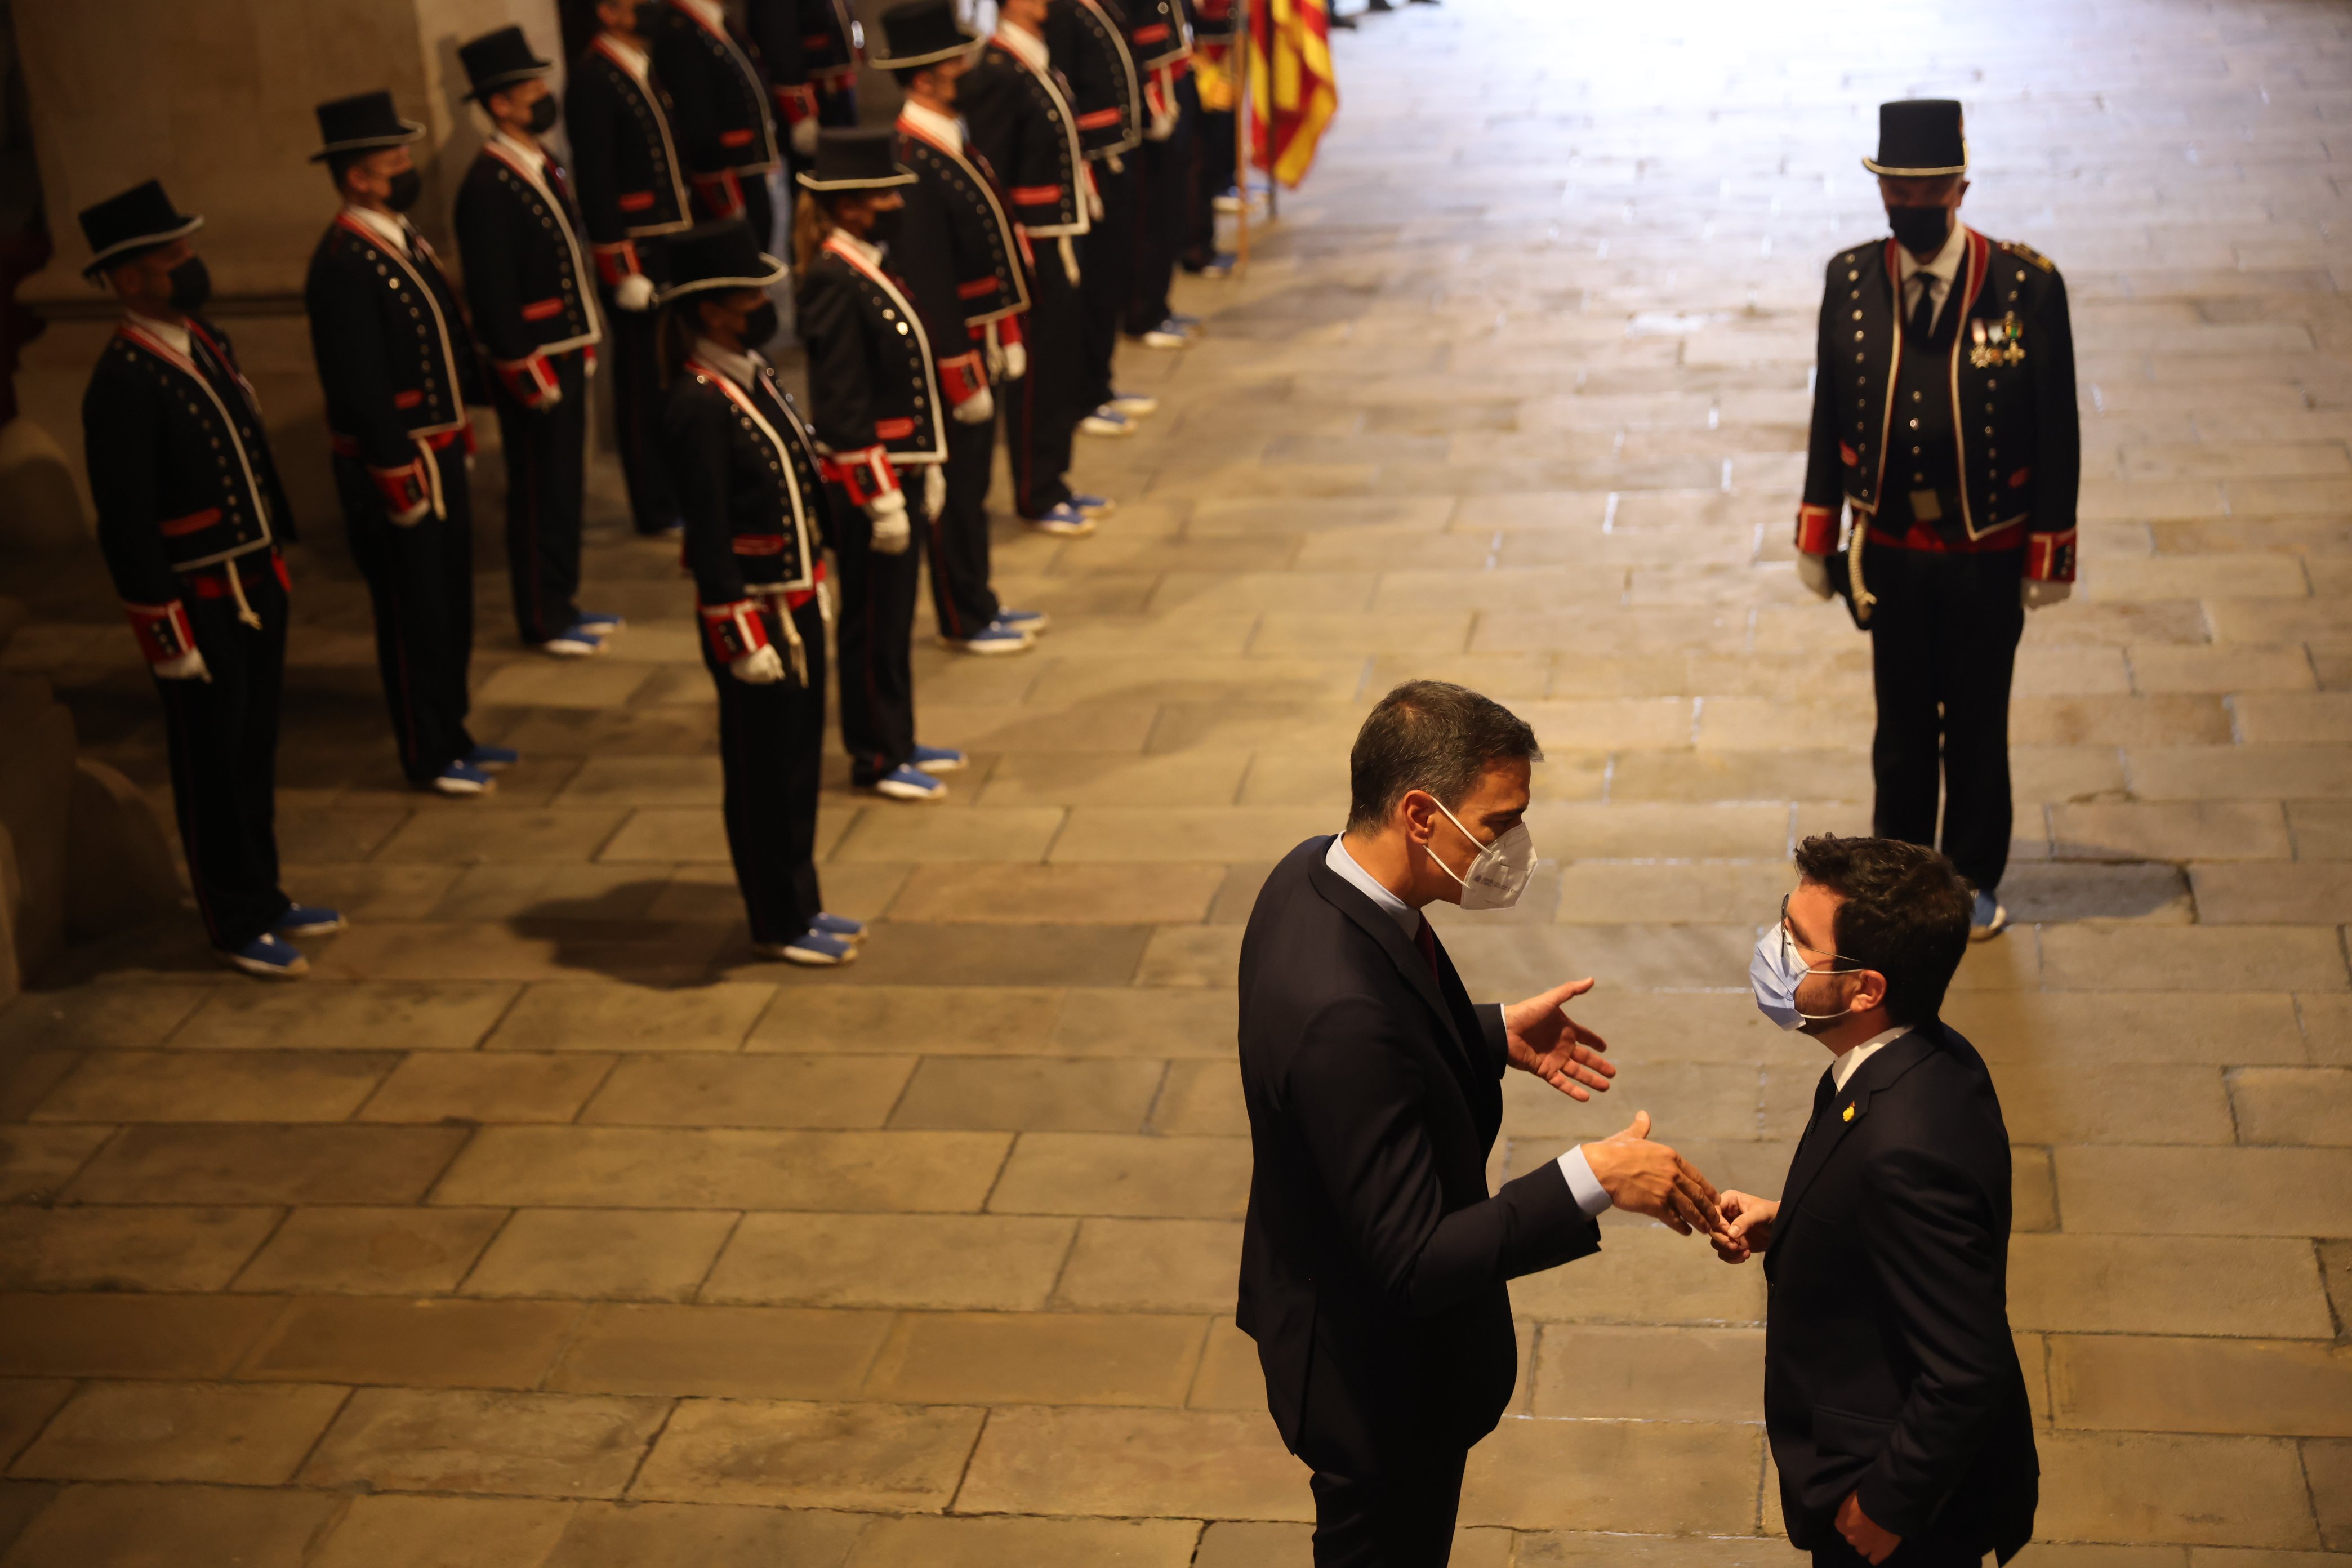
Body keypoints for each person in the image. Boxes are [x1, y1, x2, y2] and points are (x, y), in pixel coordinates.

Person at [1239, 680, 1725, 1568]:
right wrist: (1593, 1179)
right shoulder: (1341, 1011)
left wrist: (1488, 1030)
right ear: (1421, 814)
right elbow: (1414, 1259)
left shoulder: (1311, 873)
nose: (1512, 848)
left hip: (1338, 1311)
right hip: (1375, 1383)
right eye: (1498, 823)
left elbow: (1365, 1056)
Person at [1793, 99, 2079, 942]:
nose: (1911, 207)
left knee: (1979, 725)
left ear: (1960, 185)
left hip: (1985, 557)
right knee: (1904, 727)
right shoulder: (1851, 282)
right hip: (1889, 556)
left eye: (1927, 190)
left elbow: (2058, 426)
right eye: (1896, 192)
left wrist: (2049, 549)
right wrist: (1818, 529)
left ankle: (1971, 876)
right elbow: (1827, 411)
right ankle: (1901, 873)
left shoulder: (2026, 286)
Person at [1716, 834, 2038, 1567]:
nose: (1777, 950)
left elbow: (1966, 1366)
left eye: (1798, 941)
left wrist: (1886, 1507)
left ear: (1866, 989)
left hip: (1893, 1506)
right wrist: (1793, 1220)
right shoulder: (1927, 1053)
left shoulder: (1904, 1148)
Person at [77, 179, 343, 979]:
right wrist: (164, 632)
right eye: (172, 260)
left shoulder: (206, 341)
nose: (190, 268)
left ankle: (263, 890)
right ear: (129, 280)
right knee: (211, 759)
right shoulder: (123, 381)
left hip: (251, 583)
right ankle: (231, 917)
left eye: (189, 252)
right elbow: (126, 523)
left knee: (254, 747)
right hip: (198, 600)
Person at [657, 220, 865, 965]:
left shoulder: (751, 373)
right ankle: (777, 917)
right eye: (749, 293)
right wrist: (738, 634)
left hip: (795, 603)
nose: (762, 302)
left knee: (799, 761)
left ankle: (802, 900)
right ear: (713, 309)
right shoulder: (697, 402)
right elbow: (709, 530)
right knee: (761, 772)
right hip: (755, 615)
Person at [304, 91, 513, 798]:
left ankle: (453, 731)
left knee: (449, 601)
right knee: (410, 609)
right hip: (399, 462)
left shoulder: (397, 237)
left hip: (436, 448)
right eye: (394, 159)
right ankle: (426, 748)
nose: (407, 166)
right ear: (357, 176)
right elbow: (359, 381)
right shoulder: (343, 262)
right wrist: (396, 466)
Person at [792, 128, 968, 801]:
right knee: (871, 624)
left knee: (897, 622)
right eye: (886, 192)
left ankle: (899, 735)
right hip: (874, 484)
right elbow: (843, 404)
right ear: (855, 205)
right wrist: (880, 494)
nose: (897, 201)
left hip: (903, 468)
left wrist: (930, 463)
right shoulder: (833, 280)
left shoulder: (866, 262)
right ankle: (875, 754)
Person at [876, 0, 1049, 656]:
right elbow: (933, 280)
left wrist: (1003, 331)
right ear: (924, 78)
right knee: (960, 489)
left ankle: (980, 598)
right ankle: (962, 613)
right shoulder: (916, 158)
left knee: (977, 485)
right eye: (954, 60)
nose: (965, 67)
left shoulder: (947, 136)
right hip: (958, 351)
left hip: (983, 338)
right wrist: (959, 364)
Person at [453, 24, 624, 659]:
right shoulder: (489, 185)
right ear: (500, 104)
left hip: (565, 348)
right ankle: (542, 614)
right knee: (537, 492)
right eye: (528, 86)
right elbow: (494, 292)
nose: (541, 92)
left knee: (562, 487)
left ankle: (565, 599)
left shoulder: (536, 164)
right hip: (538, 364)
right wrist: (525, 368)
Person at [958, 0, 1106, 536]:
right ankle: (1035, 490)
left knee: (1060, 364)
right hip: (1032, 246)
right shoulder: (999, 73)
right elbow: (995, 174)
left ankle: (1056, 478)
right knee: (1038, 374)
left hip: (1058, 236)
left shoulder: (1033, 61)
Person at [567, 0, 694, 537]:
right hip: (638, 256)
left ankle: (678, 488)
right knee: (644, 382)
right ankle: (654, 503)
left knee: (670, 374)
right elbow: (597, 180)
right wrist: (620, 266)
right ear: (611, 12)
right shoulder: (595, 81)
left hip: (666, 247)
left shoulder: (639, 66)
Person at [1046, 0, 1160, 438]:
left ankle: (1102, 383)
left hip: (1115, 154)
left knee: (1111, 277)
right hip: (1091, 166)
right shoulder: (1062, 13)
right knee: (1093, 285)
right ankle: (1085, 393)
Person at [656, 0, 784, 250]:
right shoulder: (679, 28)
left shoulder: (712, 19)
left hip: (746, 162)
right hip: (728, 169)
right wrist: (719, 186)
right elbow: (696, 116)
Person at [1120, 0, 1201, 349]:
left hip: (1174, 76)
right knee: (1152, 211)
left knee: (1172, 200)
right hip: (1153, 89)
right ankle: (1144, 312)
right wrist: (1149, 98)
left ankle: (1160, 304)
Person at [748, 0, 861, 185]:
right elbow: (780, 39)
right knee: (818, 177)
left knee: (847, 171)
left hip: (836, 91)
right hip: (813, 98)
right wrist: (799, 112)